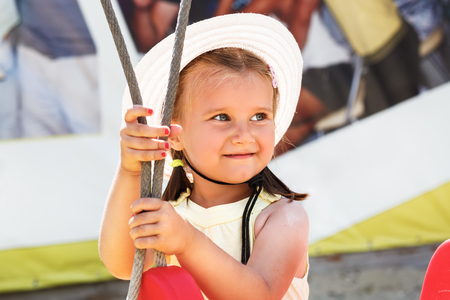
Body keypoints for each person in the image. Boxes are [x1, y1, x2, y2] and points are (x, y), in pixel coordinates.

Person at [99, 14, 310, 300]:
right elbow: (122, 265)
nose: (243, 134)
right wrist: (130, 171)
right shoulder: (172, 214)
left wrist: (186, 242)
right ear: (174, 134)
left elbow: (259, 294)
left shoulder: (283, 218)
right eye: (222, 117)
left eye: (259, 116)